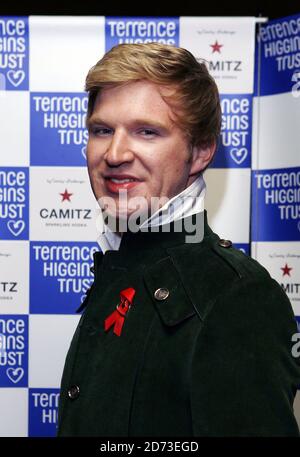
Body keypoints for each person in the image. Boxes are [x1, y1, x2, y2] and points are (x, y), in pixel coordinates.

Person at [56, 42, 300, 437]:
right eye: (102, 130)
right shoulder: (121, 261)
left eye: (147, 132)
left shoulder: (239, 295)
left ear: (201, 151)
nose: (115, 153)